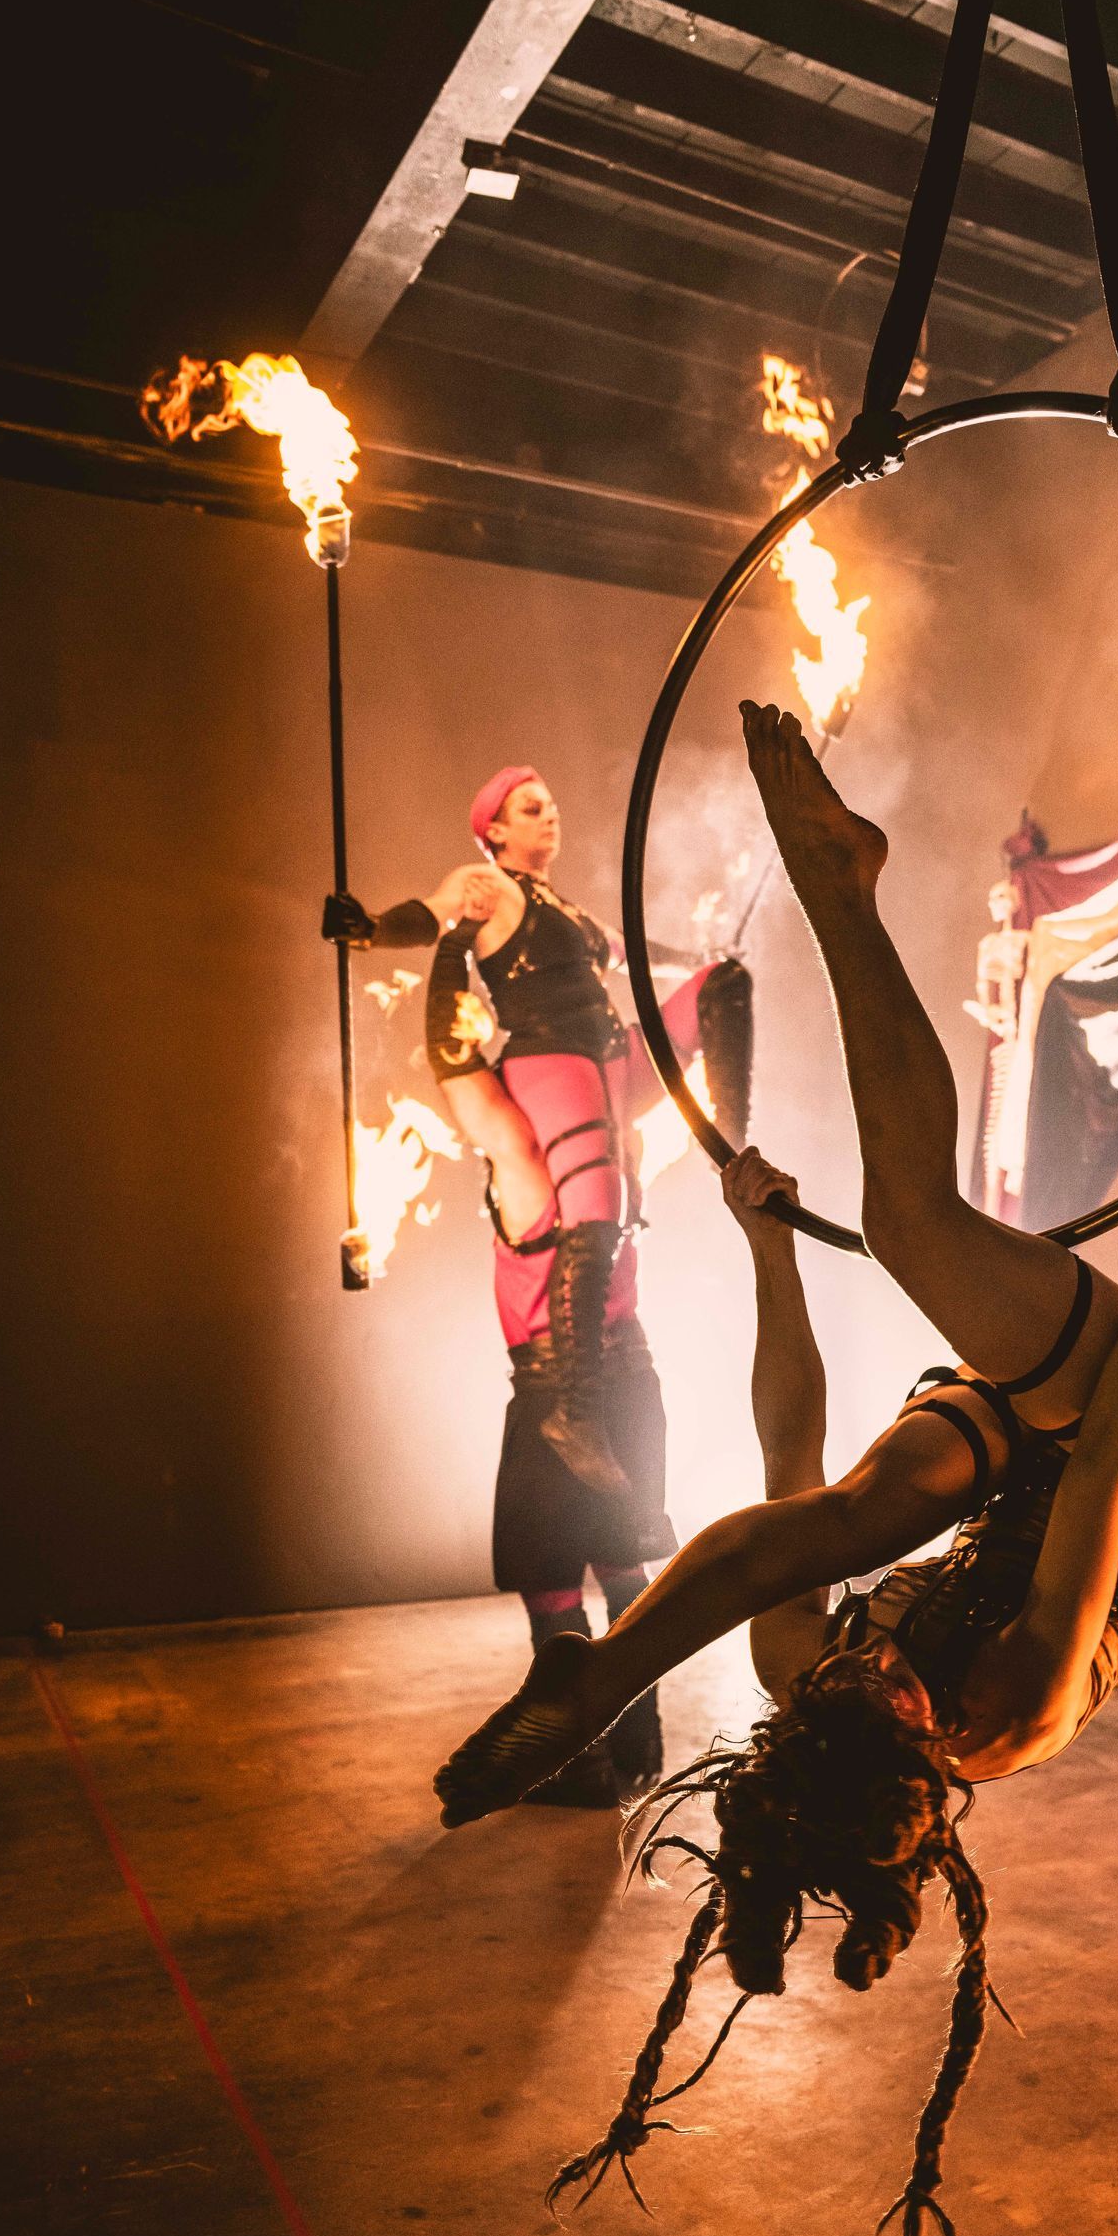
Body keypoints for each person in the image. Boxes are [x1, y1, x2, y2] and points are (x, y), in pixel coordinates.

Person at [435, 704, 1118, 2236]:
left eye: (844, 1676)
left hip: (998, 1458)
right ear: (930, 1761)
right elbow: (1109, 1466)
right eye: (886, 1682)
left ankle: (603, 1675)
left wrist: (766, 1248)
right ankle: (841, 886)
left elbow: (783, 1452)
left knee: (862, 1503)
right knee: (923, 1227)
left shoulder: (810, 1689)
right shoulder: (1013, 1704)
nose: (868, 1660)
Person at [327, 764, 672, 1798]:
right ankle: (630, 1739)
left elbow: (456, 1068)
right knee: (616, 1562)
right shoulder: (493, 894)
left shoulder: (529, 1165)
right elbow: (426, 913)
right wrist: (371, 927)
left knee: (551, 1566)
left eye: (550, 802)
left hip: (560, 1379)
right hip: (624, 1367)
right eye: (529, 805)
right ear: (490, 828)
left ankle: (580, 1747)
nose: (548, 812)